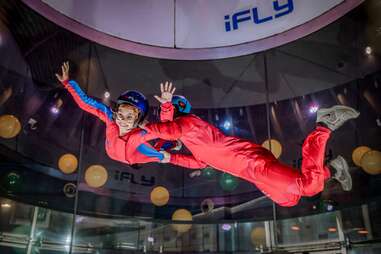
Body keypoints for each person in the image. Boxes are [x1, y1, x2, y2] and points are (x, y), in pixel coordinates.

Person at [141, 83, 359, 207]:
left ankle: (324, 125)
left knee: (311, 187)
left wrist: (150, 124)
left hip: (255, 165)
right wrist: (169, 157)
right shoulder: (195, 145)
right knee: (288, 199)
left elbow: (168, 129)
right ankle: (334, 169)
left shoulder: (190, 125)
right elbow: (196, 162)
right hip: (255, 173)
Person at [55, 62, 171, 165]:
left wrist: (166, 106)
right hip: (112, 152)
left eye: (129, 117)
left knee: (161, 152)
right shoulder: (111, 118)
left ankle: (169, 147)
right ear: (116, 112)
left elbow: (167, 130)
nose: (123, 121)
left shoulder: (140, 135)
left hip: (134, 157)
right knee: (159, 148)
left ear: (138, 120)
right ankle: (167, 148)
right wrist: (67, 83)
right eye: (121, 115)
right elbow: (86, 103)